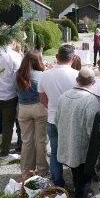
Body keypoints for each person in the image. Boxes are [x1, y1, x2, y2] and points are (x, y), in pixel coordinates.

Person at [55, 68, 100, 198]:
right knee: (83, 182)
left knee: (77, 176)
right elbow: (91, 129)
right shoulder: (91, 100)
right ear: (93, 82)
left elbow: (57, 120)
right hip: (82, 150)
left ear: (77, 80)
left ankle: (78, 196)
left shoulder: (64, 96)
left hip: (67, 144)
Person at [38, 44, 78, 187]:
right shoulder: (76, 75)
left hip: (52, 118)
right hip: (71, 120)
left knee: (55, 153)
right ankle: (77, 184)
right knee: (74, 153)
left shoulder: (44, 75)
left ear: (56, 57)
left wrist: (54, 109)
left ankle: (58, 183)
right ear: (73, 59)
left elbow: (43, 101)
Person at [14, 50, 48, 176]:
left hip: (23, 108)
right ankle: (43, 170)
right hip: (40, 107)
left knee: (26, 141)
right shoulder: (42, 75)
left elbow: (15, 90)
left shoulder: (17, 75)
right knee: (41, 140)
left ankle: (26, 172)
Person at [0, 39, 21, 165]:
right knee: (8, 125)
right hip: (9, 95)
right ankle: (4, 153)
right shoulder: (15, 56)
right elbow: (17, 76)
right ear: (12, 43)